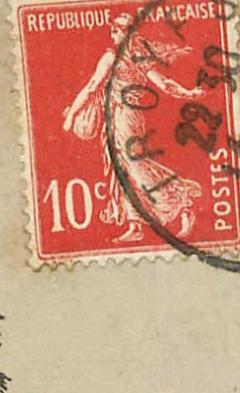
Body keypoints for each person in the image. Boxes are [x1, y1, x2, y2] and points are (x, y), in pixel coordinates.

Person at [62, 15, 205, 243]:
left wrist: (71, 116)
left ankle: (182, 200)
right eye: (114, 29)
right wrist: (188, 93)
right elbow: (93, 87)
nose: (115, 34)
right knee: (124, 169)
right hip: (120, 117)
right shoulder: (129, 58)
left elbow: (93, 87)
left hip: (126, 116)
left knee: (135, 166)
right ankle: (135, 224)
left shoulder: (123, 58)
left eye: (120, 30)